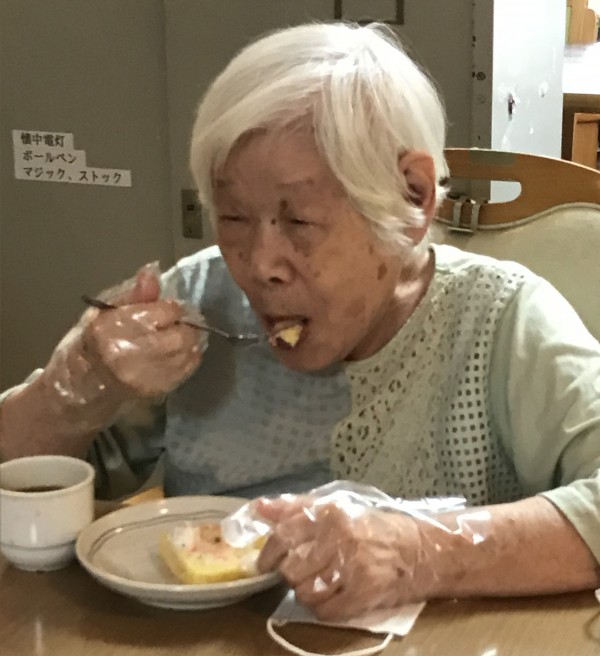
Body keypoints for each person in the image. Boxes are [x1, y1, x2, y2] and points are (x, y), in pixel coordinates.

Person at [1, 22, 599, 620]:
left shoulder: (500, 320)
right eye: (234, 217)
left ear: (412, 197)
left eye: (300, 222)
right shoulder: (199, 304)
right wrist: (73, 387)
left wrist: (423, 551)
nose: (260, 266)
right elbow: (22, 479)